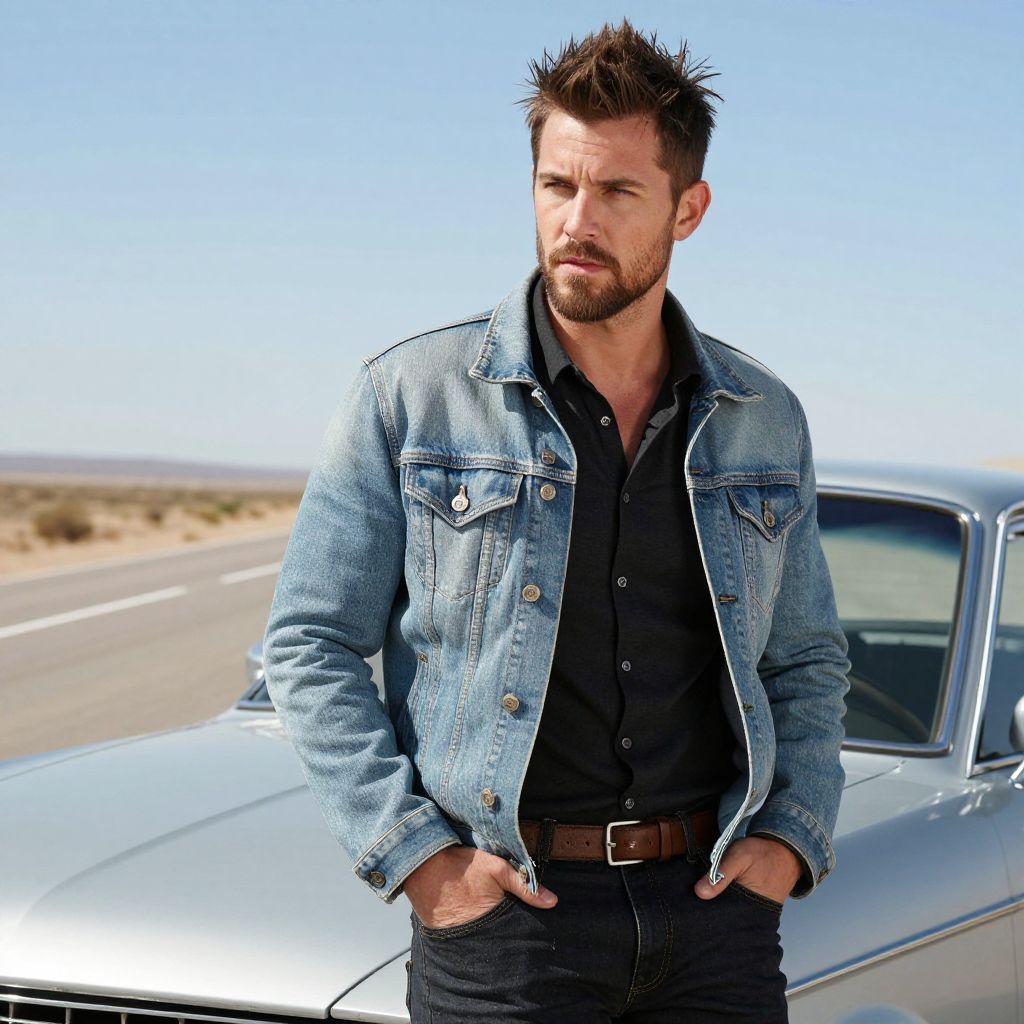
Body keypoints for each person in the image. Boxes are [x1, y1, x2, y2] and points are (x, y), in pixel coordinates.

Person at [263, 19, 850, 1023]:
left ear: (688, 208)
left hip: (713, 913)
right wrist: (419, 859)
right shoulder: (412, 397)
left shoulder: (763, 415)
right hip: (508, 923)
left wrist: (791, 832)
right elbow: (309, 641)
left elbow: (802, 655)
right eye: (556, 185)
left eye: (618, 191)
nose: (578, 219)